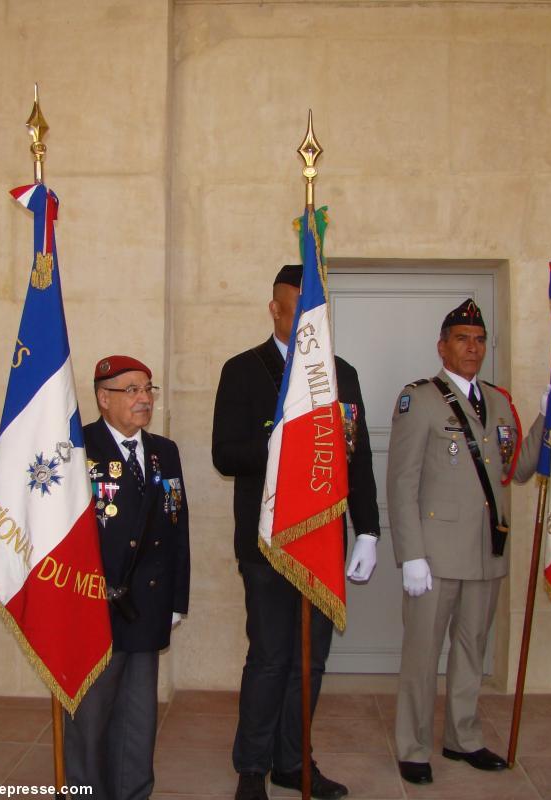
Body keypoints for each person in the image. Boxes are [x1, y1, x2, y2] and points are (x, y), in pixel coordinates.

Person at [212, 265, 381, 800]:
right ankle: (251, 768)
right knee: (270, 658)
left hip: (323, 539)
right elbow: (224, 455)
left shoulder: (341, 373)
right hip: (268, 543)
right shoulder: (244, 370)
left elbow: (357, 457)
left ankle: (292, 760)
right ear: (276, 310)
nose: (310, 321)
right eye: (298, 309)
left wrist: (368, 530)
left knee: (311, 661)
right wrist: (284, 442)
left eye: (317, 312)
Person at [386, 298, 544, 786]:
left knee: (472, 649)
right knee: (422, 654)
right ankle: (413, 746)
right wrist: (411, 554)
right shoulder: (419, 399)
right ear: (442, 347)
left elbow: (518, 469)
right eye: (461, 339)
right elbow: (401, 482)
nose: (472, 348)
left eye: (479, 340)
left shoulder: (499, 401)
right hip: (434, 554)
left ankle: (463, 737)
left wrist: (547, 417)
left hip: (486, 551)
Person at [64, 355, 190, 800]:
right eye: (131, 390)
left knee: (138, 716)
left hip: (148, 603)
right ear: (104, 398)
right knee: (90, 716)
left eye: (148, 389)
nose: (144, 399)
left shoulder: (164, 451)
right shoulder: (76, 448)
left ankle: (134, 791)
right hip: (93, 604)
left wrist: (177, 599)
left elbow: (177, 527)